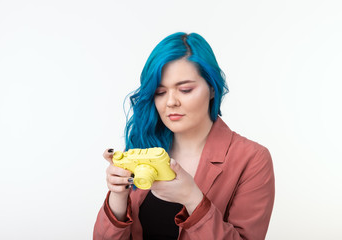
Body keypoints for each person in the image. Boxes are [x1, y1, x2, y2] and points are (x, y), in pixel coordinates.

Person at [93, 32, 275, 240]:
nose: (171, 102)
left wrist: (192, 199)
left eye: (185, 89)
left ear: (213, 89)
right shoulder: (142, 147)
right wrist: (118, 195)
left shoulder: (252, 159)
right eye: (160, 92)